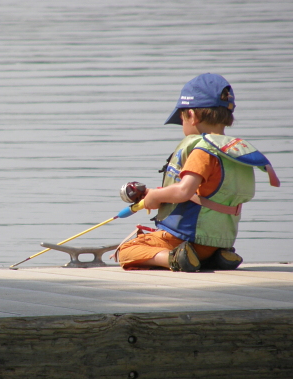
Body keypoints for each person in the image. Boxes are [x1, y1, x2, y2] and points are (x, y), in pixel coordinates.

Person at [117, 73, 280, 272]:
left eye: (182, 118)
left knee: (127, 250)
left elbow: (185, 191)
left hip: (186, 238)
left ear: (192, 116)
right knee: (199, 249)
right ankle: (218, 257)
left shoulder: (204, 151)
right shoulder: (235, 152)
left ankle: (175, 258)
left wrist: (156, 195)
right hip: (219, 240)